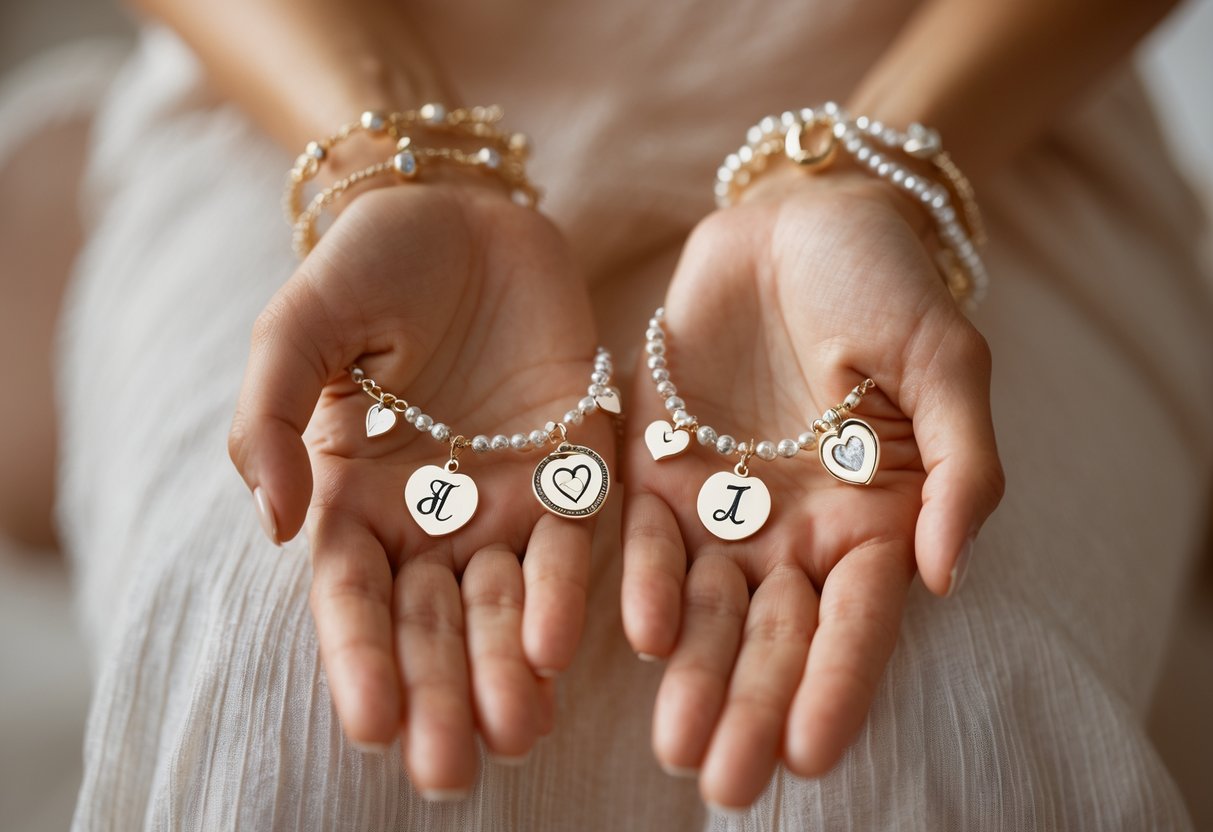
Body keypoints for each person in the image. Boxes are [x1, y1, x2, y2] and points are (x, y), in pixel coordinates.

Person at [4, 0, 1206, 827]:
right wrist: (397, 151)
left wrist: (862, 170)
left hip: (980, 101)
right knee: (281, 689)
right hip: (305, 75)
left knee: (933, 718)